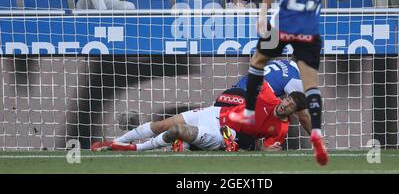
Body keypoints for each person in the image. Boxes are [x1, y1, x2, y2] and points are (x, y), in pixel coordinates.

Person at [228, 0, 349, 166]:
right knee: (311, 84)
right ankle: (317, 133)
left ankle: (249, 113)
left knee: (258, 61)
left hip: (283, 22)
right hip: (309, 27)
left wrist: (262, 11)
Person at [90, 83, 306, 152]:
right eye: (287, 100)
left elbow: (266, 148)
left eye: (291, 106)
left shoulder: (281, 130)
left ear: (294, 113)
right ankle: (117, 142)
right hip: (214, 113)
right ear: (284, 97)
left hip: (221, 134)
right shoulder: (269, 95)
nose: (285, 105)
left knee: (176, 132)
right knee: (162, 124)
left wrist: (264, 150)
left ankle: (135, 149)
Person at [230, 59, 312, 134]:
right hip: (244, 103)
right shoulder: (294, 79)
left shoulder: (283, 62)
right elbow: (303, 116)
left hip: (233, 94)